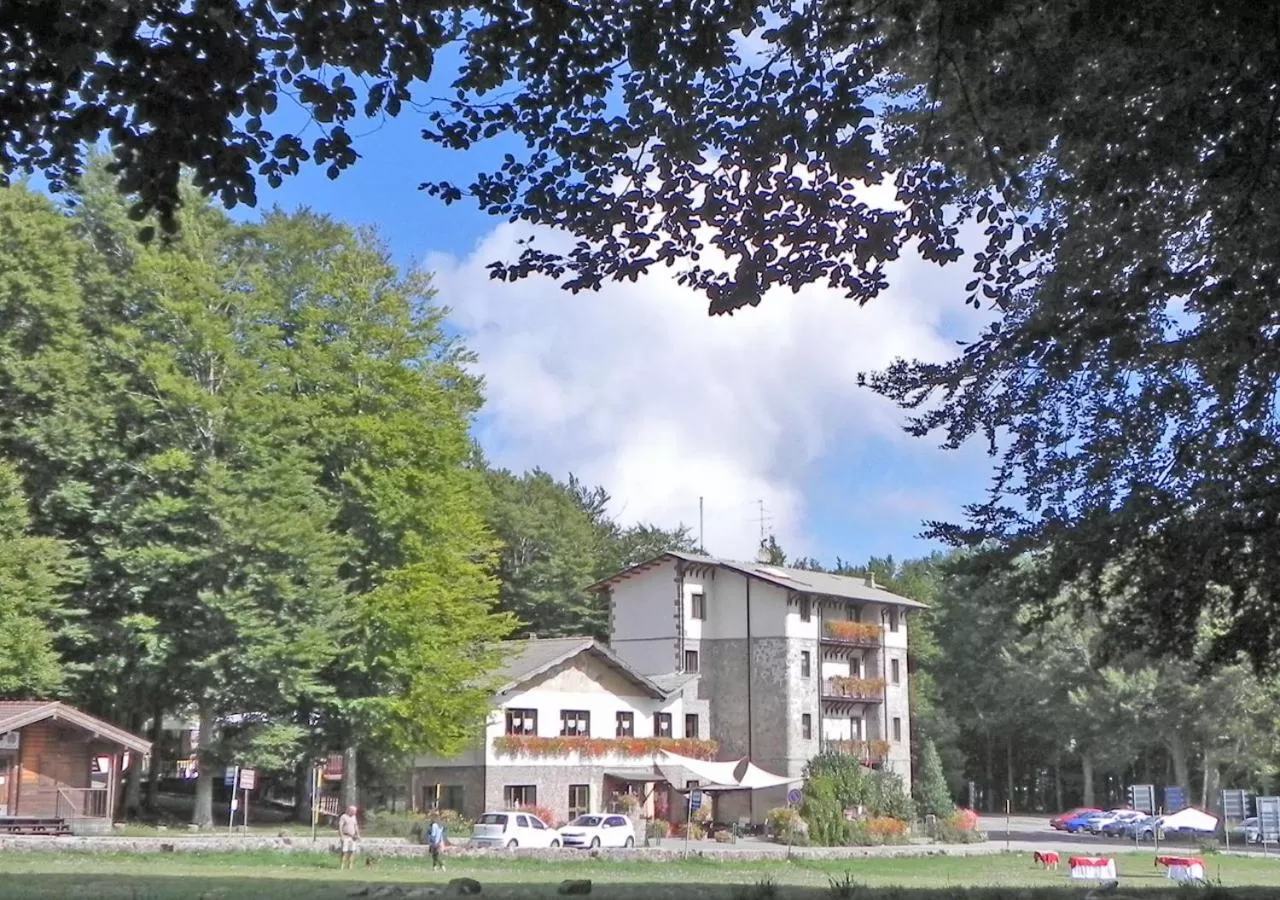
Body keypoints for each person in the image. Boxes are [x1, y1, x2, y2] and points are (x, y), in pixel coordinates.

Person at [337, 804, 360, 869]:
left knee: (352, 851)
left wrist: (358, 834)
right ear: (350, 810)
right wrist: (341, 836)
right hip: (345, 836)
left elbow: (355, 826)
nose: (355, 813)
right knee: (344, 851)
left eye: (355, 811)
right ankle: (342, 865)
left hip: (353, 837)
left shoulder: (354, 817)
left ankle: (350, 865)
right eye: (354, 811)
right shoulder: (343, 817)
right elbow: (340, 827)